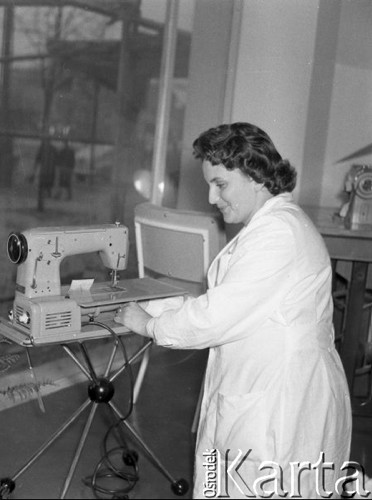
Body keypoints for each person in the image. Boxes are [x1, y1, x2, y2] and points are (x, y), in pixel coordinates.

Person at [114, 122, 353, 498]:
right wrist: (155, 308)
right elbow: (232, 302)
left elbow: (216, 318)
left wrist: (152, 327)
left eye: (220, 184)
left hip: (279, 401)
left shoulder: (278, 235)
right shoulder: (271, 226)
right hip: (265, 388)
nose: (211, 198)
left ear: (256, 176)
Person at [32, 139, 57, 211]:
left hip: (47, 172)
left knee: (44, 188)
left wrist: (34, 170)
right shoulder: (50, 149)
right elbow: (37, 160)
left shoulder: (47, 149)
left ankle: (41, 205)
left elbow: (37, 160)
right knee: (43, 188)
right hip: (47, 172)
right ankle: (41, 205)